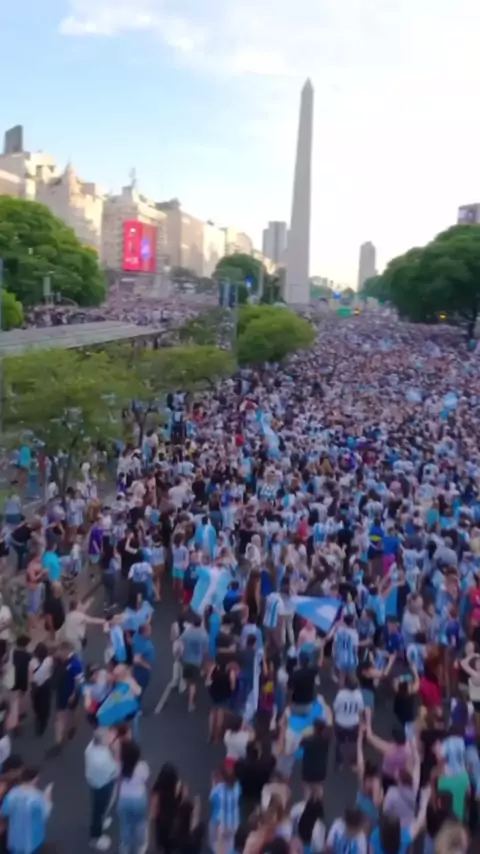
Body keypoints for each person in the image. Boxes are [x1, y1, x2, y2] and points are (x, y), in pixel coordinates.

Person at [0, 765, 53, 854]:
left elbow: (4, 812)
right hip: (32, 840)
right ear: (35, 779)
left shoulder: (12, 794)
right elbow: (44, 815)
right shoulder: (38, 797)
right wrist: (48, 800)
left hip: (15, 839)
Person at [85, 729, 118, 851]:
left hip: (93, 782)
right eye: (108, 736)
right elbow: (114, 770)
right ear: (103, 741)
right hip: (103, 785)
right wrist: (115, 752)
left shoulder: (90, 747)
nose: (110, 737)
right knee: (100, 809)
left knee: (98, 808)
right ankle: (96, 837)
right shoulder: (103, 759)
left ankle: (100, 823)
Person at [116, 740, 149, 854]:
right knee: (139, 823)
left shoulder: (119, 767)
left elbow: (117, 781)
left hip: (124, 799)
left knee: (125, 824)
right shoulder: (143, 767)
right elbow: (145, 779)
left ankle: (125, 847)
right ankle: (139, 847)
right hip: (139, 799)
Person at [179, 615, 208, 713]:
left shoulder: (187, 633)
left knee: (188, 680)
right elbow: (205, 650)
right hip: (196, 662)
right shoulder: (204, 635)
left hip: (186, 660)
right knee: (193, 684)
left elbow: (181, 645)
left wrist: (181, 656)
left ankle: (188, 694)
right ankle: (191, 703)